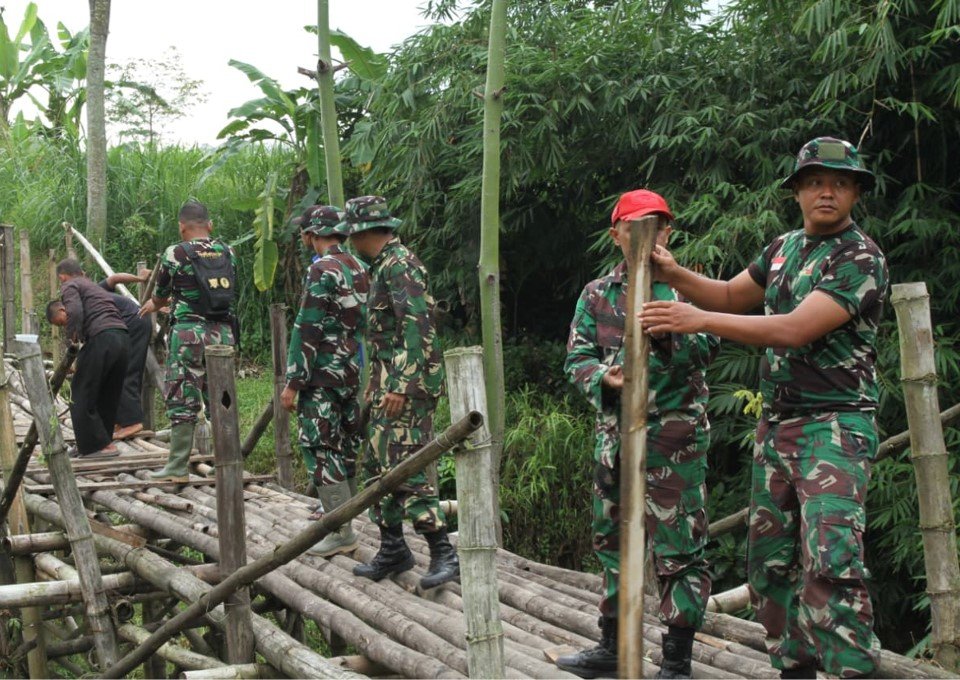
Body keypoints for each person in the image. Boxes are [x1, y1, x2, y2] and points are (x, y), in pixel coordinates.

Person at [640, 137, 887, 679]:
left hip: (835, 427)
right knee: (769, 565)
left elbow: (795, 328)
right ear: (797, 191)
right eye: (816, 181)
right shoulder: (783, 247)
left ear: (855, 194)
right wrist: (675, 275)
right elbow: (730, 295)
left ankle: (851, 671)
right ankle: (793, 670)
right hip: (776, 427)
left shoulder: (860, 257)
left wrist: (695, 320)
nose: (828, 192)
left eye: (841, 183)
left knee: (832, 561)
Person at [559, 190, 718, 679]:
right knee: (611, 539)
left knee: (679, 549)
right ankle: (613, 643)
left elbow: (709, 347)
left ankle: (676, 658)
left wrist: (669, 332)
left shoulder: (685, 289)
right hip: (615, 440)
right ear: (617, 234)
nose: (649, 234)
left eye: (659, 225)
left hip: (674, 441)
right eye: (637, 225)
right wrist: (604, 378)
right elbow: (575, 360)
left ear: (668, 233)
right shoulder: (596, 294)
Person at [345, 195, 456, 590]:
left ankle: (443, 549)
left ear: (361, 232)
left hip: (406, 387)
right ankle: (393, 547)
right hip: (386, 384)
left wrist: (400, 387)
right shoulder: (384, 266)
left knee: (402, 466)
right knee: (378, 466)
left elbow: (417, 328)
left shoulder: (400, 265)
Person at [279, 205, 369, 557]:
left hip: (321, 374)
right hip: (350, 371)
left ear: (310, 235)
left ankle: (339, 526)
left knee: (320, 446)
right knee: (345, 443)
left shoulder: (322, 269)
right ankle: (344, 512)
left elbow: (308, 327)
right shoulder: (359, 266)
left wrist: (294, 381)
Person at [140, 200, 237, 483]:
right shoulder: (227, 251)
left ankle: (178, 466)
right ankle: (228, 463)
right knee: (221, 396)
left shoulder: (176, 253)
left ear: (182, 227)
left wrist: (157, 304)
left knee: (183, 397)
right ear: (210, 225)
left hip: (189, 336)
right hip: (223, 334)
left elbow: (160, 294)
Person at [50, 259, 129, 458]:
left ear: (62, 277)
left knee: (80, 392)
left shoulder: (70, 285)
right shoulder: (93, 287)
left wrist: (71, 345)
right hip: (122, 338)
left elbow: (75, 311)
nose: (62, 324)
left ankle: (96, 446)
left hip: (102, 337)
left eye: (60, 322)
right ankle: (101, 443)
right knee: (106, 393)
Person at [98, 271, 153, 440]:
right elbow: (115, 278)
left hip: (133, 323)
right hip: (131, 323)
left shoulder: (86, 298)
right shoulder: (95, 290)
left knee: (126, 370)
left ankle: (132, 422)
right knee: (117, 371)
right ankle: (121, 419)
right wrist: (140, 278)